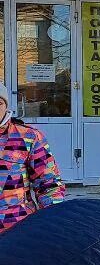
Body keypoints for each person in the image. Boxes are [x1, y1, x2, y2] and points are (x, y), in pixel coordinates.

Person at [0, 81, 66, 232]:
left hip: (15, 231)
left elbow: (48, 184)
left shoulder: (28, 137)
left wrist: (55, 224)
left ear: (6, 106)